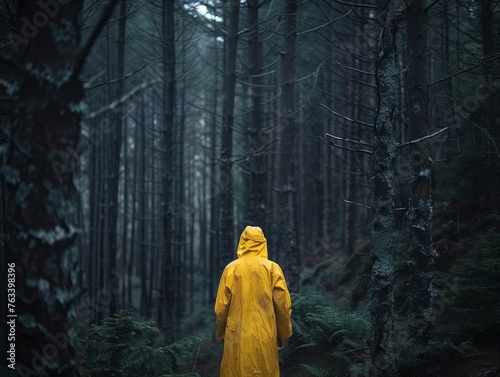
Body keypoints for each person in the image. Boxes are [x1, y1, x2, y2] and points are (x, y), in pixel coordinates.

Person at [214, 226, 293, 377]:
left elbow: (220, 309)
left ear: (242, 242)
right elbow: (282, 305)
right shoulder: (272, 268)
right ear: (263, 243)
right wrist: (283, 332)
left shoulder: (231, 269)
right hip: (265, 336)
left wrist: (223, 334)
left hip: (236, 338)